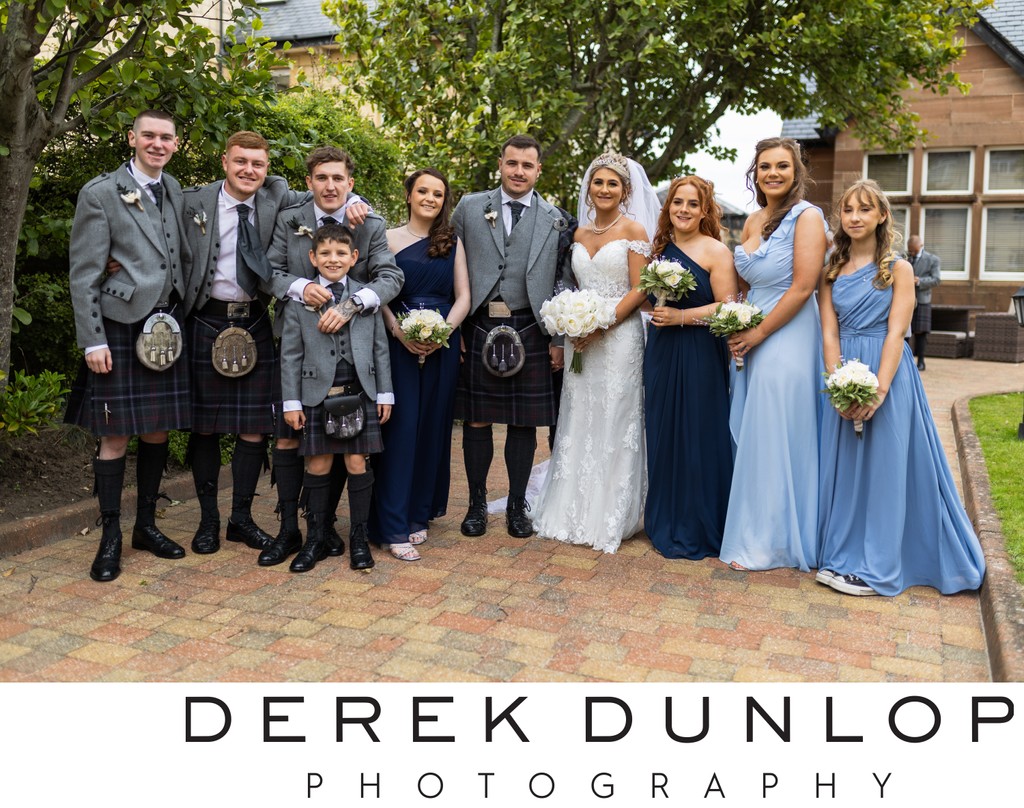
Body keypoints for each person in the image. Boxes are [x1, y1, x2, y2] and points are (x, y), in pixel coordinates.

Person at [181, 131, 370, 556]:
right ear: (225, 162)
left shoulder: (276, 201)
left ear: (268, 171)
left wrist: (363, 205)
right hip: (205, 319)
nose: (249, 170)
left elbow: (335, 199)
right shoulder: (193, 201)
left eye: (258, 164)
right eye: (240, 162)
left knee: (256, 429)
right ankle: (209, 521)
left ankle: (242, 520)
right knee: (205, 428)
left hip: (254, 323)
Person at [816, 180, 985, 596]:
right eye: (848, 210)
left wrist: (878, 390)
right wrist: (837, 383)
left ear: (881, 216)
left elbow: (897, 334)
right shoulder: (831, 270)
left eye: (864, 210)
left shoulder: (899, 268)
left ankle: (880, 568)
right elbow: (828, 333)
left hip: (887, 372)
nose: (854, 217)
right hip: (844, 369)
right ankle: (843, 554)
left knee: (886, 468)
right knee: (849, 467)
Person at [258, 146, 403, 568]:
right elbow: (269, 273)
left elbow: (390, 276)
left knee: (348, 450)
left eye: (338, 178)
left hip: (353, 347)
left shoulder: (368, 223)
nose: (330, 185)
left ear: (350, 183)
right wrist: (300, 288)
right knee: (289, 439)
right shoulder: (291, 220)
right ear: (309, 182)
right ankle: (292, 530)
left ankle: (330, 532)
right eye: (322, 178)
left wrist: (354, 304)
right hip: (297, 341)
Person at [65, 109, 192, 582]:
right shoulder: (101, 193)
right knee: (115, 436)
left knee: (157, 431)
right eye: (150, 136)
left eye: (166, 137)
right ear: (132, 138)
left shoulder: (175, 189)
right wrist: (92, 339)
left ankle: (146, 526)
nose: (158, 144)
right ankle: (110, 535)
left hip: (166, 328)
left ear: (175, 144)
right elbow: (83, 274)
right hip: (119, 328)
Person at [531, 152, 655, 552]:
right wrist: (573, 324)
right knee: (579, 417)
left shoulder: (634, 230)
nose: (604, 189)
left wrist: (601, 324)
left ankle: (610, 513)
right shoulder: (579, 235)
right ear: (589, 188)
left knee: (616, 420)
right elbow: (572, 285)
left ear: (626, 190)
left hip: (618, 338)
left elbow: (640, 289)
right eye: (598, 182)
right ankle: (571, 508)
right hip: (579, 338)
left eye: (612, 184)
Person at [719, 136, 827, 572]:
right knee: (754, 429)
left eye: (782, 166)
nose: (773, 174)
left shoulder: (808, 217)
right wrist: (736, 323)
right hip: (750, 332)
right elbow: (745, 285)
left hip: (788, 333)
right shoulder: (751, 220)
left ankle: (772, 542)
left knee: (778, 429)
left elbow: (803, 286)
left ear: (796, 172)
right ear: (755, 173)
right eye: (765, 167)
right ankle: (755, 530)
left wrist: (759, 331)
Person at [452, 134, 568, 539]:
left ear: (538, 170)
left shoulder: (555, 218)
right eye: (512, 163)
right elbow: (449, 263)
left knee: (525, 423)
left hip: (532, 327)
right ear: (500, 164)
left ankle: (518, 505)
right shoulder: (469, 208)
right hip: (478, 323)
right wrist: (455, 329)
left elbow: (562, 281)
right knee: (477, 419)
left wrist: (558, 339)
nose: (519, 171)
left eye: (527, 165)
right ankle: (476, 504)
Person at [369, 168, 470, 561]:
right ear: (409, 195)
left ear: (445, 201)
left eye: (438, 194)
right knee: (401, 427)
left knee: (431, 427)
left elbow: (464, 295)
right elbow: (378, 295)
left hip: (443, 343)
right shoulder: (388, 239)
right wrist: (399, 332)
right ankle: (391, 523)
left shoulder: (452, 241)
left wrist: (441, 333)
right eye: (423, 191)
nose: (430, 198)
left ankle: (417, 513)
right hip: (398, 344)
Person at [279, 223, 392, 572]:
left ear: (354, 257)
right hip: (315, 393)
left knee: (358, 464)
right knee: (318, 464)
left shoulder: (365, 296)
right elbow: (290, 354)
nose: (333, 259)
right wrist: (291, 402)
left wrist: (385, 392)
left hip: (361, 388)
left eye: (341, 253)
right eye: (325, 253)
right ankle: (314, 538)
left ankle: (358, 538)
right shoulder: (302, 299)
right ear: (312, 257)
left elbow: (379, 349)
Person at [644, 176, 739, 559]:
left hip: (699, 350)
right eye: (677, 202)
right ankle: (666, 517)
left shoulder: (716, 251)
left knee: (699, 433)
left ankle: (701, 523)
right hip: (662, 350)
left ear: (705, 210)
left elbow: (726, 305)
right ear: (668, 208)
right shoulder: (660, 249)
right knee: (663, 431)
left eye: (692, 204)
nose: (683, 209)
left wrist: (682, 316)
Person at [906, 234, 941, 371]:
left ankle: (921, 361)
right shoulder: (905, 257)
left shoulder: (932, 260)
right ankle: (906, 361)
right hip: (907, 299)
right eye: (910, 250)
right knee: (905, 332)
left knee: (921, 333)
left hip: (922, 300)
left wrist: (919, 281)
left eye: (914, 250)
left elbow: (936, 279)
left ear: (920, 246)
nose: (912, 253)